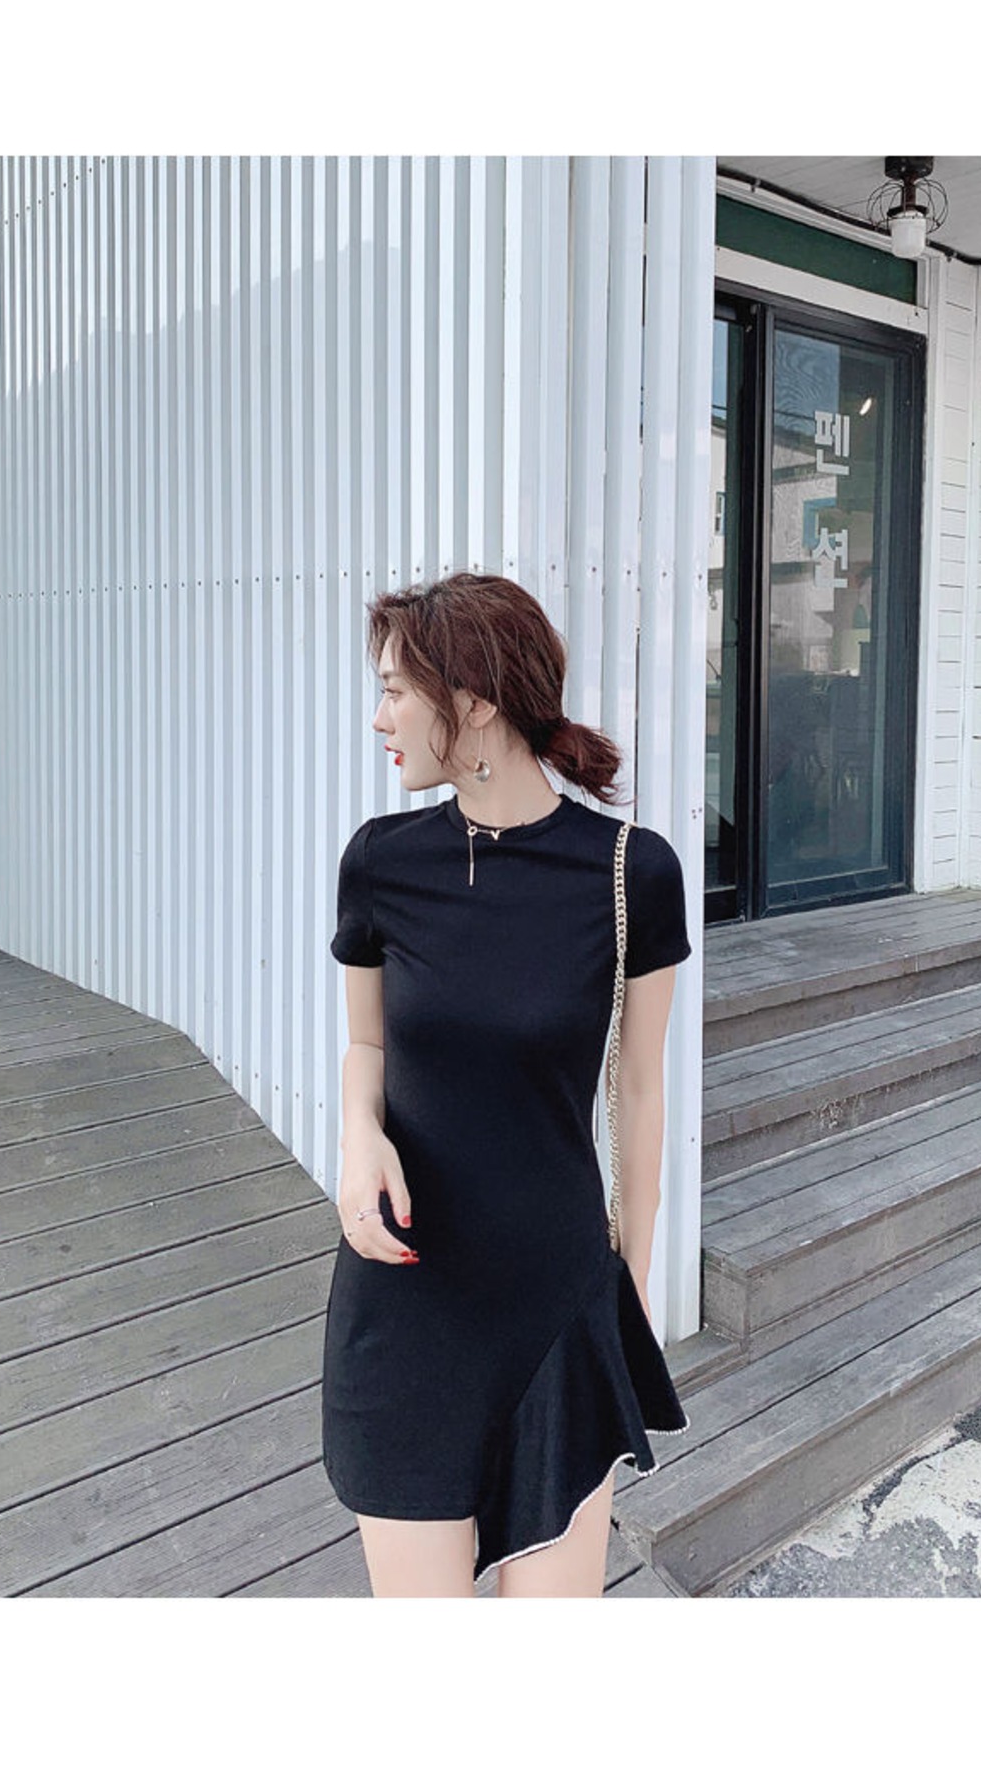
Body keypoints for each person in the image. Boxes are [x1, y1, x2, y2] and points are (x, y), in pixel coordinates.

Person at [322, 572, 692, 1597]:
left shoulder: (630, 872)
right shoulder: (380, 862)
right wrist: (358, 1137)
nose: (379, 718)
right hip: (407, 1303)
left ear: (474, 700)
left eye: (396, 691)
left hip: (552, 1312)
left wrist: (631, 1282)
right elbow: (367, 1046)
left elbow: (639, 1090)